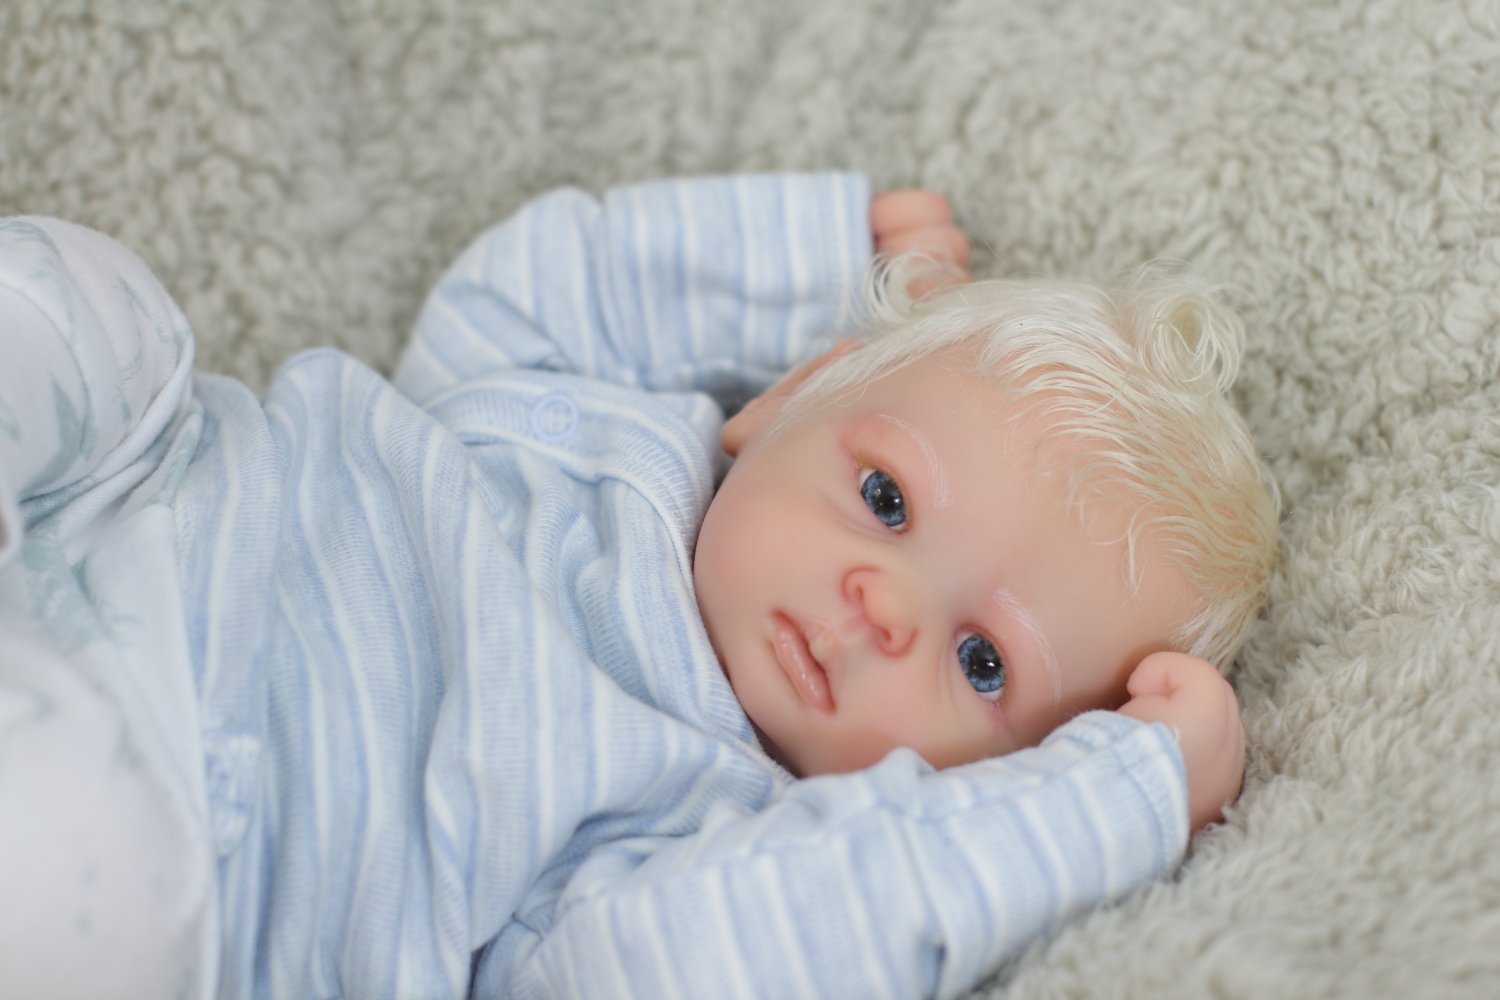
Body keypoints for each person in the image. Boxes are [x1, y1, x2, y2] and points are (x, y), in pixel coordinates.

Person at [0, 172, 1276, 1000]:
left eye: (982, 661)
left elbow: (750, 940)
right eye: (887, 498)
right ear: (784, 396)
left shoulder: (716, 835)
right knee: (84, 305)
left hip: (187, 829)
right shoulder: (599, 421)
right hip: (124, 498)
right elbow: (526, 284)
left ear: (991, 781)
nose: (884, 605)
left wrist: (1120, 794)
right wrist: (821, 264)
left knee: (69, 866)